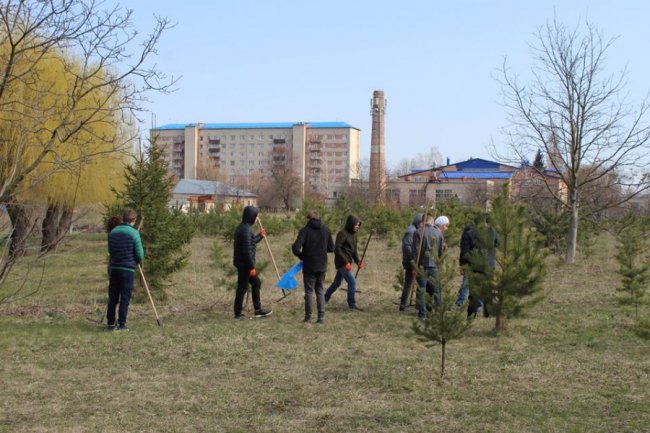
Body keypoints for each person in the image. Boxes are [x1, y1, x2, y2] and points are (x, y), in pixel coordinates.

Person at [292, 210, 334, 324]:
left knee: (309, 292)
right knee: (320, 291)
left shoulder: (304, 231)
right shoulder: (326, 230)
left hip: (309, 265)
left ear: (309, 219)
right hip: (321, 265)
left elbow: (295, 248)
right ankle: (321, 317)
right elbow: (332, 248)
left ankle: (308, 317)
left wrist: (302, 256)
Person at [107, 208, 144, 331]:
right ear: (133, 220)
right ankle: (122, 324)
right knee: (125, 297)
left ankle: (111, 324)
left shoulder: (113, 232)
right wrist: (137, 259)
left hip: (114, 268)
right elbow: (140, 254)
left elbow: (110, 251)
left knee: (113, 297)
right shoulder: (134, 233)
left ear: (123, 219)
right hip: (127, 269)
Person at [455, 213, 498, 317]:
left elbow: (464, 252)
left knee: (474, 290)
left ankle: (472, 313)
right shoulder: (492, 231)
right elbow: (497, 243)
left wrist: (463, 265)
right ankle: (489, 313)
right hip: (489, 264)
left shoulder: (469, 233)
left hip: (474, 265)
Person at [233, 205, 272, 319]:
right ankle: (238, 314)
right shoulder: (245, 230)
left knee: (256, 283)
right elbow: (246, 252)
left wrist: (260, 235)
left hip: (244, 263)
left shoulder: (245, 228)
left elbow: (251, 242)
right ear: (251, 217)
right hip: (244, 265)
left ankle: (258, 310)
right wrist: (251, 268)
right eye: (256, 216)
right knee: (242, 288)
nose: (257, 219)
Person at [412, 215, 449, 319]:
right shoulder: (438, 233)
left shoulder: (418, 232)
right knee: (436, 291)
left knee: (422, 291)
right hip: (434, 266)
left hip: (422, 266)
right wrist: (439, 263)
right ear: (432, 222)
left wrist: (415, 266)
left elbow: (415, 251)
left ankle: (422, 314)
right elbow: (440, 252)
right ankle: (438, 312)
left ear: (423, 222)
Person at [324, 215, 364, 311]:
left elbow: (353, 250)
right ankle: (352, 304)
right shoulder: (342, 233)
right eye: (356, 225)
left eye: (358, 225)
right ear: (351, 224)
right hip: (341, 262)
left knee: (336, 283)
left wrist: (358, 261)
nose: (357, 227)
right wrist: (345, 262)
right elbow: (337, 249)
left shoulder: (354, 235)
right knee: (352, 282)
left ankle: (324, 299)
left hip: (347, 262)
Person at [399, 213, 423, 312]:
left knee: (412, 282)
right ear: (419, 222)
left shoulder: (415, 230)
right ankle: (408, 305)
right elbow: (406, 246)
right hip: (410, 261)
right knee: (417, 282)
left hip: (411, 261)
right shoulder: (411, 231)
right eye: (422, 223)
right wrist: (415, 258)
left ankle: (404, 305)